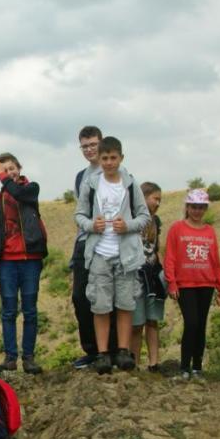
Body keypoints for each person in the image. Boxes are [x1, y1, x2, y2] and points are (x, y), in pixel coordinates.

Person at [75, 136, 150, 374]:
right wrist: (91, 226)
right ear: (100, 158)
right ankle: (103, 353)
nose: (108, 162)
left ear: (121, 158)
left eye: (113, 158)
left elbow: (144, 216)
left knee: (125, 303)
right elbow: (79, 215)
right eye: (105, 158)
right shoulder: (92, 184)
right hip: (99, 252)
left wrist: (126, 225)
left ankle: (123, 351)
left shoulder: (130, 184)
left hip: (126, 255)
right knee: (100, 305)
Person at [0, 152, 49, 374]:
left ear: (19, 168)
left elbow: (19, 194)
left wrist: (1, 176)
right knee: (9, 311)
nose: (10, 173)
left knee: (30, 311)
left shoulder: (31, 189)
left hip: (31, 259)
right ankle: (10, 357)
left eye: (12, 168)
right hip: (8, 262)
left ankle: (29, 358)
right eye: (5, 169)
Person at [163, 189, 220, 379]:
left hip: (206, 283)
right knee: (191, 323)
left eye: (201, 207)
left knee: (200, 325)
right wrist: (172, 283)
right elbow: (170, 258)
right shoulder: (177, 228)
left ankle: (198, 368)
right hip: (185, 284)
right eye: (194, 207)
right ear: (187, 207)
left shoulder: (209, 231)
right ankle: (184, 367)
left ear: (205, 208)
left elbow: (215, 261)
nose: (197, 211)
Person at [69, 126, 116, 369]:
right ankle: (92, 350)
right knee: (80, 297)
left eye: (93, 145)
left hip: (109, 241)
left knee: (108, 296)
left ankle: (113, 350)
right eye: (84, 146)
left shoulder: (114, 172)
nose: (89, 150)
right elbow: (80, 213)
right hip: (84, 241)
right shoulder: (81, 177)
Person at [132, 183, 166, 372]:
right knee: (136, 323)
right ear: (144, 198)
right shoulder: (133, 219)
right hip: (136, 275)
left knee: (152, 320)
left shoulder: (156, 221)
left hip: (153, 275)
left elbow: (156, 248)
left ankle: (154, 363)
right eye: (155, 198)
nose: (158, 203)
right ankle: (134, 362)